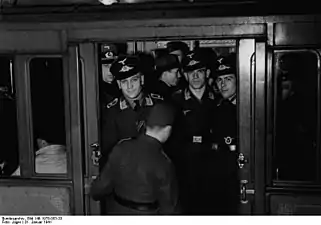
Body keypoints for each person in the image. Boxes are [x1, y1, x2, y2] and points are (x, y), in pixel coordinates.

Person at [90, 103, 179, 215]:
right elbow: (169, 207)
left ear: (146, 125)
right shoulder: (164, 162)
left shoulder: (122, 147)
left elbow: (100, 188)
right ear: (168, 129)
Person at [171, 49, 217, 215]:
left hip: (214, 171)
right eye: (191, 72)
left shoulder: (218, 99)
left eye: (199, 71)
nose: (195, 76)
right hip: (185, 170)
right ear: (184, 74)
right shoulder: (174, 101)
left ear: (208, 73)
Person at [100, 55, 164, 168]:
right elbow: (108, 151)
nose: (130, 86)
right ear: (119, 84)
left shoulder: (158, 105)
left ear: (142, 79)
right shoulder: (112, 112)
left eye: (134, 79)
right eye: (124, 82)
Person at [212, 54, 239, 214]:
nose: (223, 84)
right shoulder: (217, 107)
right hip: (221, 174)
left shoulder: (248, 106)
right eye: (219, 80)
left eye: (228, 79)